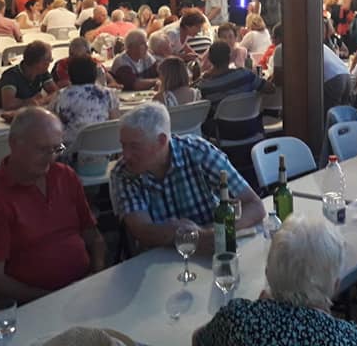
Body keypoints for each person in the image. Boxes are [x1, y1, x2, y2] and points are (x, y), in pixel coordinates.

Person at [0, 108, 106, 304]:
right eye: (41, 149)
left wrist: (97, 276)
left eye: (57, 149)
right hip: (33, 306)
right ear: (13, 144)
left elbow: (93, 236)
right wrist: (53, 300)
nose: (51, 157)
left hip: (83, 293)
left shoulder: (65, 175)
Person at [193, 216, 357, 346]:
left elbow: (198, 339)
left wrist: (259, 309)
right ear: (335, 286)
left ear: (267, 275)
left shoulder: (235, 318)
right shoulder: (356, 339)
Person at [109, 103, 265, 253]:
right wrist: (194, 237)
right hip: (160, 262)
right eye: (123, 145)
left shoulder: (198, 151)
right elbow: (142, 231)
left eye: (134, 147)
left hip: (211, 253)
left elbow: (255, 206)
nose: (126, 155)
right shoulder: (123, 173)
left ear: (161, 141)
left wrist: (215, 233)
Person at [55, 56, 119, 154]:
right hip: (104, 151)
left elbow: (51, 125)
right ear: (94, 73)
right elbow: (114, 124)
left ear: (70, 74)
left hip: (72, 152)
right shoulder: (108, 94)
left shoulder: (62, 96)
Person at [198, 41, 272, 109]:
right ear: (230, 58)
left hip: (222, 123)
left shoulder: (205, 87)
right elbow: (271, 89)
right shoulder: (245, 75)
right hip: (251, 121)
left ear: (210, 59)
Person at [0, 41, 58, 111]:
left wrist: (40, 101)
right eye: (49, 60)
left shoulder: (42, 72)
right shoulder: (11, 75)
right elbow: (8, 104)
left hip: (27, 113)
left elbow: (56, 93)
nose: (50, 63)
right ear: (39, 63)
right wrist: (29, 101)